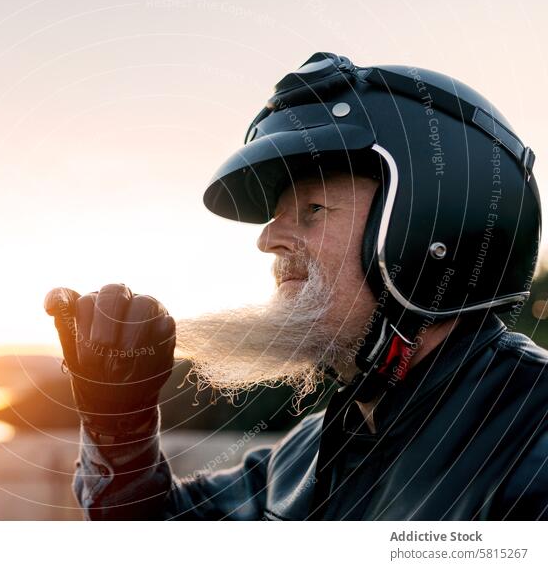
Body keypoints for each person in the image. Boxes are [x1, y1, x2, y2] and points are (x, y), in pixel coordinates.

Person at [44, 53, 547, 520]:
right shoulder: (310, 451)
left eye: (313, 210)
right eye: (277, 215)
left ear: (430, 234)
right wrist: (119, 427)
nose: (267, 238)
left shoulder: (532, 432)